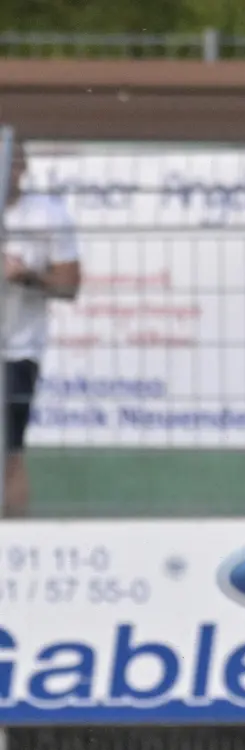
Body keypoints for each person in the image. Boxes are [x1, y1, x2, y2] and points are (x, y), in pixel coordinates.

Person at [3, 138, 81, 516]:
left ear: (23, 168)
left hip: (16, 350)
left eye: (11, 161)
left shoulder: (47, 214)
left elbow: (69, 287)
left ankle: (13, 544)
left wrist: (27, 277)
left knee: (9, 453)